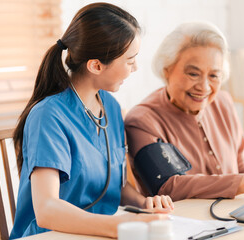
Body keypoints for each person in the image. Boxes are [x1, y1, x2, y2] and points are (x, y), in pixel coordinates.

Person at [10, 3, 173, 239]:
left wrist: (146, 206)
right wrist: (123, 226)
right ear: (96, 65)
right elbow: (47, 211)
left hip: (99, 233)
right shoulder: (48, 116)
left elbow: (115, 187)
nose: (135, 67)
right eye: (130, 60)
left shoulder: (112, 108)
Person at [124, 22, 244, 201]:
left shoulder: (223, 102)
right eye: (193, 74)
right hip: (182, 224)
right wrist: (243, 182)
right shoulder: (142, 121)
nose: (204, 87)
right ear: (167, 70)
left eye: (214, 75)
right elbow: (167, 186)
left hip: (237, 219)